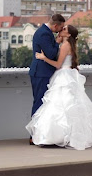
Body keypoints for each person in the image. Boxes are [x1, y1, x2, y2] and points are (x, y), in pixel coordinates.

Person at [26, 25, 92, 150]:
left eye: (64, 29)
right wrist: (57, 42)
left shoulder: (65, 46)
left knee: (60, 105)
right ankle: (67, 135)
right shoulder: (67, 44)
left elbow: (58, 64)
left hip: (63, 75)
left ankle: (58, 135)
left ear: (68, 35)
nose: (61, 30)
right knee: (68, 105)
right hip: (68, 75)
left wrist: (44, 58)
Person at [28, 14, 66, 145]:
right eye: (60, 27)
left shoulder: (44, 32)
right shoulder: (44, 34)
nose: (60, 31)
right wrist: (57, 42)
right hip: (41, 73)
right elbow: (50, 53)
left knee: (43, 104)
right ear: (55, 25)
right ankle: (34, 135)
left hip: (43, 72)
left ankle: (41, 134)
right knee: (39, 103)